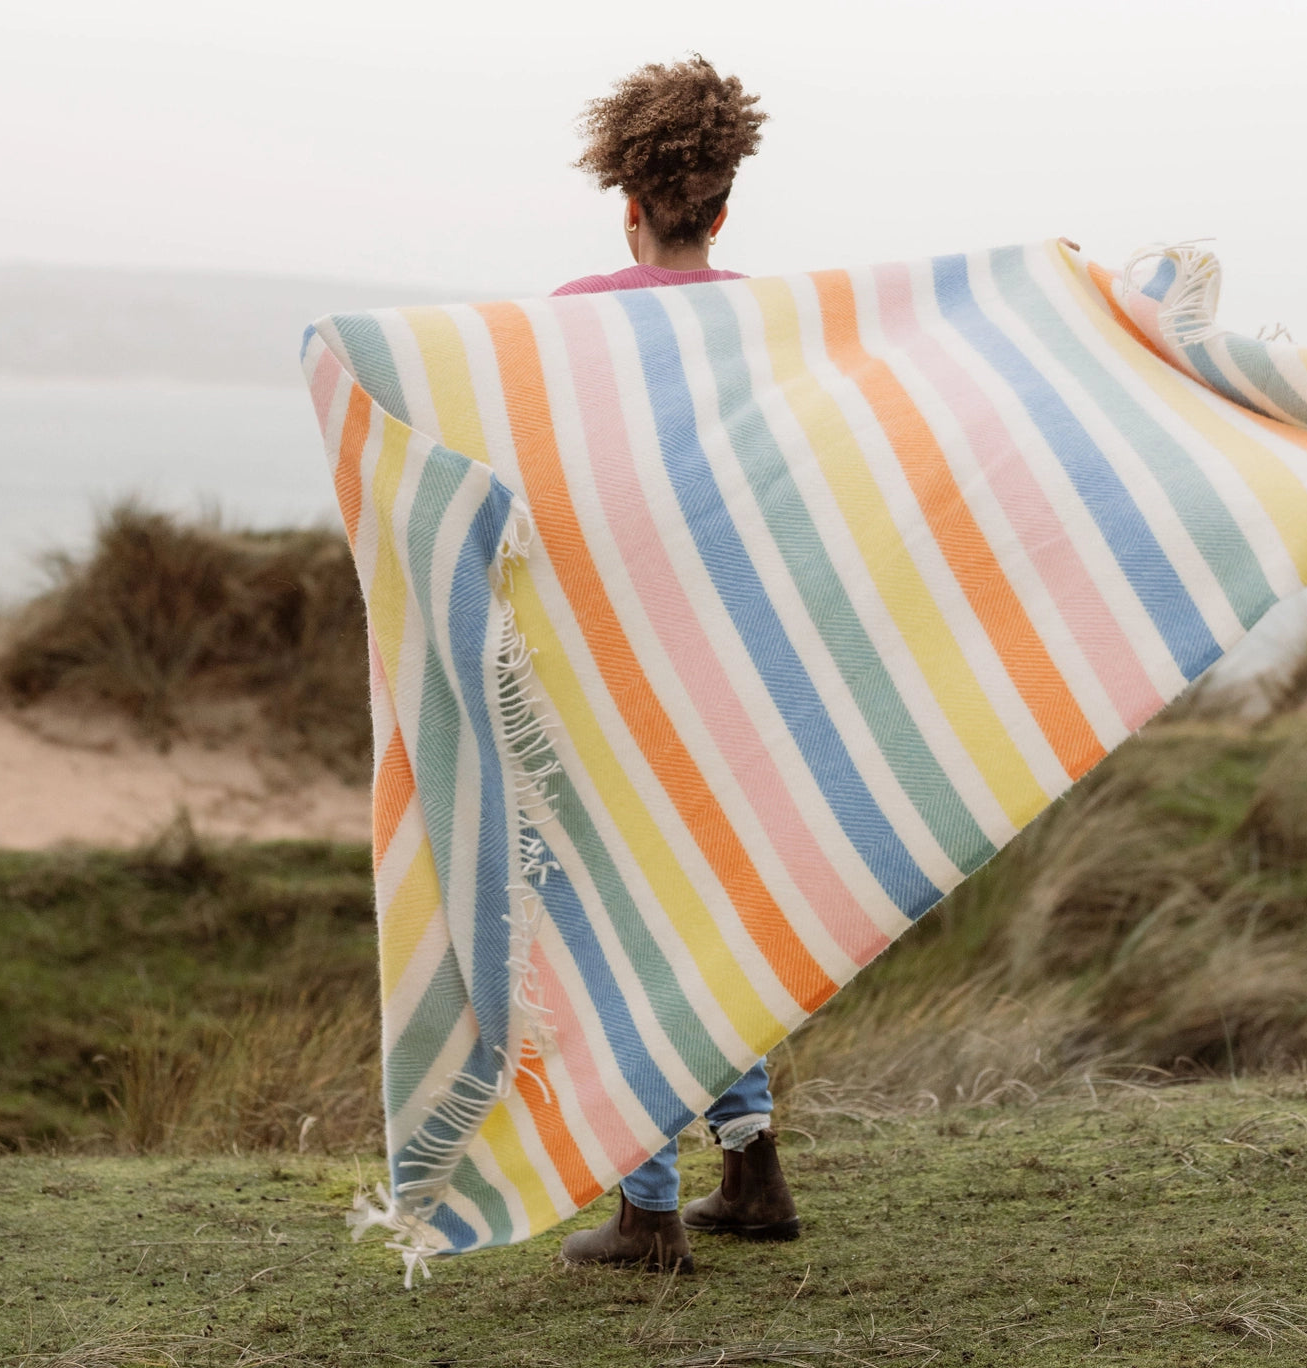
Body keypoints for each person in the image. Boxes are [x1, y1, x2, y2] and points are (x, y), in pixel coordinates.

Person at [552, 57, 798, 1274]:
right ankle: (750, 1171)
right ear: (723, 202)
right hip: (743, 662)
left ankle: (650, 1213)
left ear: (628, 201)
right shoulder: (773, 324)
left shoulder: (576, 315)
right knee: (721, 913)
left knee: (622, 928)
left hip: (619, 663)